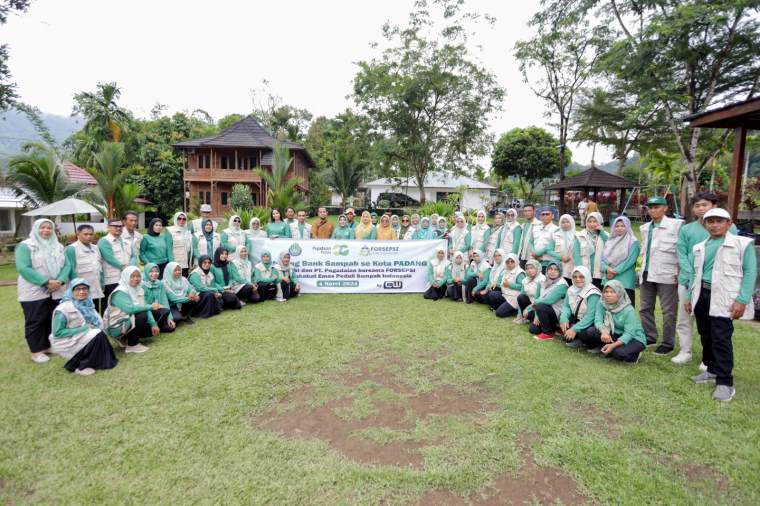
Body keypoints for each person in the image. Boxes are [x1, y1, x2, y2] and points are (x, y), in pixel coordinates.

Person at [685, 208, 756, 402]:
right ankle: (711, 370)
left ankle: (725, 382)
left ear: (729, 223)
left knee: (721, 338)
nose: (714, 225)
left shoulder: (742, 244)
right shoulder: (699, 246)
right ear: (705, 224)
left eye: (719, 221)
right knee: (705, 335)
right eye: (710, 221)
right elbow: (694, 273)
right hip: (702, 295)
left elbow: (750, 272)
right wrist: (690, 296)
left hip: (724, 298)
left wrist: (741, 299)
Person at [673, 192, 738, 366]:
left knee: (711, 322)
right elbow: (682, 254)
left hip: (716, 284)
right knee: (685, 318)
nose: (701, 209)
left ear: (714, 206)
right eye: (697, 206)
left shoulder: (729, 228)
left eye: (705, 205)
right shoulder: (687, 229)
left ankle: (708, 358)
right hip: (688, 281)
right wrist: (690, 275)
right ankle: (685, 351)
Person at [16, 218, 70, 363]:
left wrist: (59, 281)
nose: (46, 230)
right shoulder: (26, 246)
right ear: (35, 229)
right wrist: (46, 282)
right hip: (34, 290)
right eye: (42, 227)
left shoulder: (57, 246)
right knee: (35, 320)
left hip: (56, 289)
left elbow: (67, 266)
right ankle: (36, 351)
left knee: (51, 318)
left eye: (49, 228)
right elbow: (23, 268)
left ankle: (47, 346)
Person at [638, 196, 683, 355]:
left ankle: (668, 342)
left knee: (668, 311)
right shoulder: (644, 228)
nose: (653, 210)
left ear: (665, 208)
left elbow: (682, 251)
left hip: (667, 274)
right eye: (650, 207)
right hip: (647, 272)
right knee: (645, 308)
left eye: (657, 207)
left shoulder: (676, 225)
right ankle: (650, 336)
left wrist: (680, 272)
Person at [49, 278, 118, 376]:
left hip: (80, 336)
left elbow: (99, 322)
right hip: (66, 340)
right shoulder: (63, 309)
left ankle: (96, 360)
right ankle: (80, 366)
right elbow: (57, 333)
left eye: (84, 288)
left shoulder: (87, 303)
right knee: (97, 334)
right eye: (77, 289)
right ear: (71, 291)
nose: (81, 292)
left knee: (98, 333)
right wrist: (85, 329)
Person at [580, 281, 646, 363]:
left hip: (634, 338)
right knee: (591, 332)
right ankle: (606, 348)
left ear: (619, 293)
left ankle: (635, 355)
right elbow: (598, 320)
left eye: (612, 292)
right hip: (614, 333)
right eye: (606, 292)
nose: (608, 295)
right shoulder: (602, 303)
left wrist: (613, 346)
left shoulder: (628, 310)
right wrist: (603, 332)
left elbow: (629, 334)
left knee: (618, 353)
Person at [104, 266, 160, 354]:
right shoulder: (120, 291)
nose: (136, 279)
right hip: (116, 326)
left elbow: (143, 305)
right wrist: (150, 306)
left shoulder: (138, 289)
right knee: (142, 314)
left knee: (150, 325)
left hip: (127, 320)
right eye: (132, 276)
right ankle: (132, 345)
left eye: (138, 276)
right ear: (126, 276)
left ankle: (126, 338)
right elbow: (129, 309)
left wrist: (153, 324)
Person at [64, 224, 104, 313]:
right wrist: (77, 288)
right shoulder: (72, 249)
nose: (89, 237)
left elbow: (99, 266)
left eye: (91, 234)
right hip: (80, 290)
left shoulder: (96, 248)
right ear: (78, 234)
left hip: (95, 286)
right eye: (85, 234)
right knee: (81, 313)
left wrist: (102, 282)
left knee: (95, 312)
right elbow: (71, 270)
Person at [601, 216, 640, 306]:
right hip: (609, 279)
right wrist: (607, 269)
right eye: (617, 226)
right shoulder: (609, 241)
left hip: (625, 280)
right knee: (609, 308)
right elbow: (602, 260)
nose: (619, 228)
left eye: (623, 226)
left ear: (628, 227)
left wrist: (614, 271)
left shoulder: (633, 242)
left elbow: (630, 261)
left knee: (625, 308)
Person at [560, 266, 602, 349]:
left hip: (591, 323)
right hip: (578, 319)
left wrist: (574, 329)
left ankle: (594, 345)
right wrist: (563, 318)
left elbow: (590, 317)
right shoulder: (571, 289)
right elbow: (566, 306)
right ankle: (577, 338)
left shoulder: (593, 293)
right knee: (562, 318)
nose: (577, 279)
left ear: (587, 277)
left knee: (588, 333)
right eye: (575, 277)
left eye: (581, 277)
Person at [99, 219, 137, 305]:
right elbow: (109, 258)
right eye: (115, 226)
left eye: (120, 226)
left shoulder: (126, 240)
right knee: (112, 304)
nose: (118, 228)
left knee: (127, 302)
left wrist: (130, 268)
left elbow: (134, 255)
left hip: (127, 278)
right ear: (108, 227)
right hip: (112, 279)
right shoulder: (104, 241)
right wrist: (125, 268)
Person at [526, 262, 568, 340]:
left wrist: (531, 306)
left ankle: (548, 333)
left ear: (560, 272)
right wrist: (536, 315)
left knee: (540, 306)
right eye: (550, 269)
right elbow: (537, 297)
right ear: (547, 270)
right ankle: (554, 328)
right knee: (533, 329)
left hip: (556, 313)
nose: (552, 271)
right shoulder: (543, 280)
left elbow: (549, 300)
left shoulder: (562, 285)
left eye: (556, 270)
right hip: (543, 310)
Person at [573, 211, 607, 289]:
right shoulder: (580, 235)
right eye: (589, 221)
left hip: (599, 272)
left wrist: (602, 232)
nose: (592, 224)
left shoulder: (605, 235)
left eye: (595, 221)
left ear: (600, 222)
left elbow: (609, 247)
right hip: (585, 271)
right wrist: (580, 270)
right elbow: (576, 254)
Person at [141, 263, 177, 332]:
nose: (154, 273)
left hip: (159, 309)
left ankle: (161, 324)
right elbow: (144, 304)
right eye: (151, 271)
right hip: (147, 310)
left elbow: (164, 301)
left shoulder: (160, 283)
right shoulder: (142, 286)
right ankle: (153, 325)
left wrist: (169, 318)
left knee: (174, 319)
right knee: (164, 312)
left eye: (156, 271)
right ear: (146, 272)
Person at [493, 253, 526, 318]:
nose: (509, 263)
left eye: (512, 261)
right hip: (505, 295)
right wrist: (496, 284)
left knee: (499, 313)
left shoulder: (519, 273)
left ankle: (514, 310)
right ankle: (505, 307)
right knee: (492, 294)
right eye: (507, 262)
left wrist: (509, 285)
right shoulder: (506, 271)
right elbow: (502, 283)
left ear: (516, 261)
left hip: (514, 297)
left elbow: (522, 287)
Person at [529, 207, 559, 273]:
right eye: (543, 214)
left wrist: (537, 254)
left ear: (553, 216)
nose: (545, 216)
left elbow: (550, 246)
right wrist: (534, 252)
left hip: (546, 261)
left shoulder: (556, 229)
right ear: (540, 217)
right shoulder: (535, 228)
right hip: (534, 260)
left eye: (547, 214)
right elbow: (530, 242)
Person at [167, 212, 193, 277]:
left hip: (186, 262)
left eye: (184, 219)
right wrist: (172, 263)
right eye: (179, 218)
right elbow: (169, 248)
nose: (182, 220)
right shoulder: (170, 231)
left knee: (184, 280)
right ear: (175, 219)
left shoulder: (188, 231)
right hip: (175, 261)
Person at [552, 214, 576, 284]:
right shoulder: (555, 235)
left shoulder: (578, 235)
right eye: (563, 222)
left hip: (572, 264)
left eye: (567, 222)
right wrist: (561, 257)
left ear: (571, 222)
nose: (565, 224)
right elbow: (549, 250)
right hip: (559, 264)